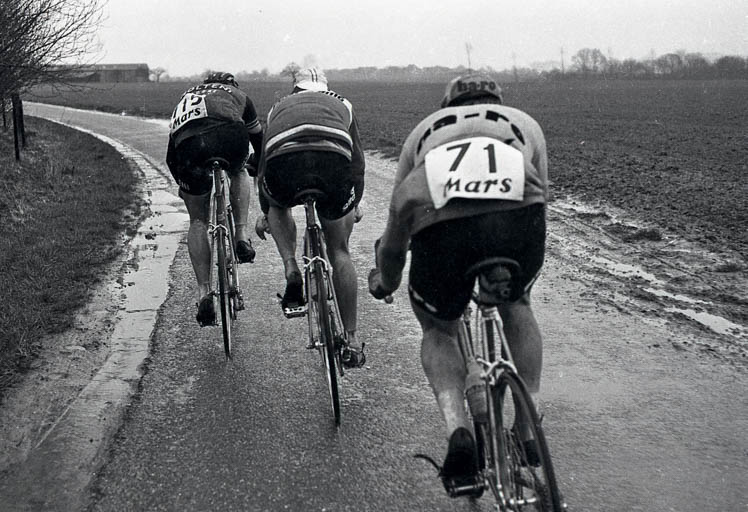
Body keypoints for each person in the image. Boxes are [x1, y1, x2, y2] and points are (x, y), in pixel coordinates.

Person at [368, 74, 549, 492]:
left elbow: (399, 218)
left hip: (442, 227)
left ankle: (457, 430)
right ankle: (527, 424)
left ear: (447, 104)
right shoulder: (524, 122)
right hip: (515, 218)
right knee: (518, 306)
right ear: (497, 99)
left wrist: (388, 279)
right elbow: (541, 198)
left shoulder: (424, 132)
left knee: (438, 328)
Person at [255, 67, 366, 368]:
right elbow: (357, 162)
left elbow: (264, 162)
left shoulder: (278, 106)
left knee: (278, 206)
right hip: (333, 164)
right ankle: (353, 340)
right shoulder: (343, 103)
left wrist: (268, 210)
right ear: (325, 86)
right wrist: (353, 203)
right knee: (340, 250)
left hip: (285, 165)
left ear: (295, 89)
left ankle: (292, 268)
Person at [165, 71, 263, 326]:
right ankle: (241, 235)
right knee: (238, 170)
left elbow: (171, 153)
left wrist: (185, 187)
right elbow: (258, 140)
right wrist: (257, 164)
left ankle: (204, 292)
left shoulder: (186, 96)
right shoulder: (238, 94)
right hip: (229, 136)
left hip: (189, 145)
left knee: (197, 220)